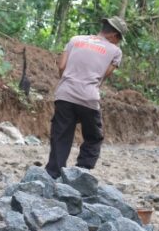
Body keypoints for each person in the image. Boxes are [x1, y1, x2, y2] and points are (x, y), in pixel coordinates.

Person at [44, 16, 128, 179]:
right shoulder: (115, 51)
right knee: (93, 136)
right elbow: (103, 76)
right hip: (88, 97)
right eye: (118, 39)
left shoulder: (75, 40)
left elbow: (61, 66)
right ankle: (81, 171)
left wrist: (68, 83)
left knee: (61, 134)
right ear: (114, 35)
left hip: (65, 94)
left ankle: (53, 173)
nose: (117, 42)